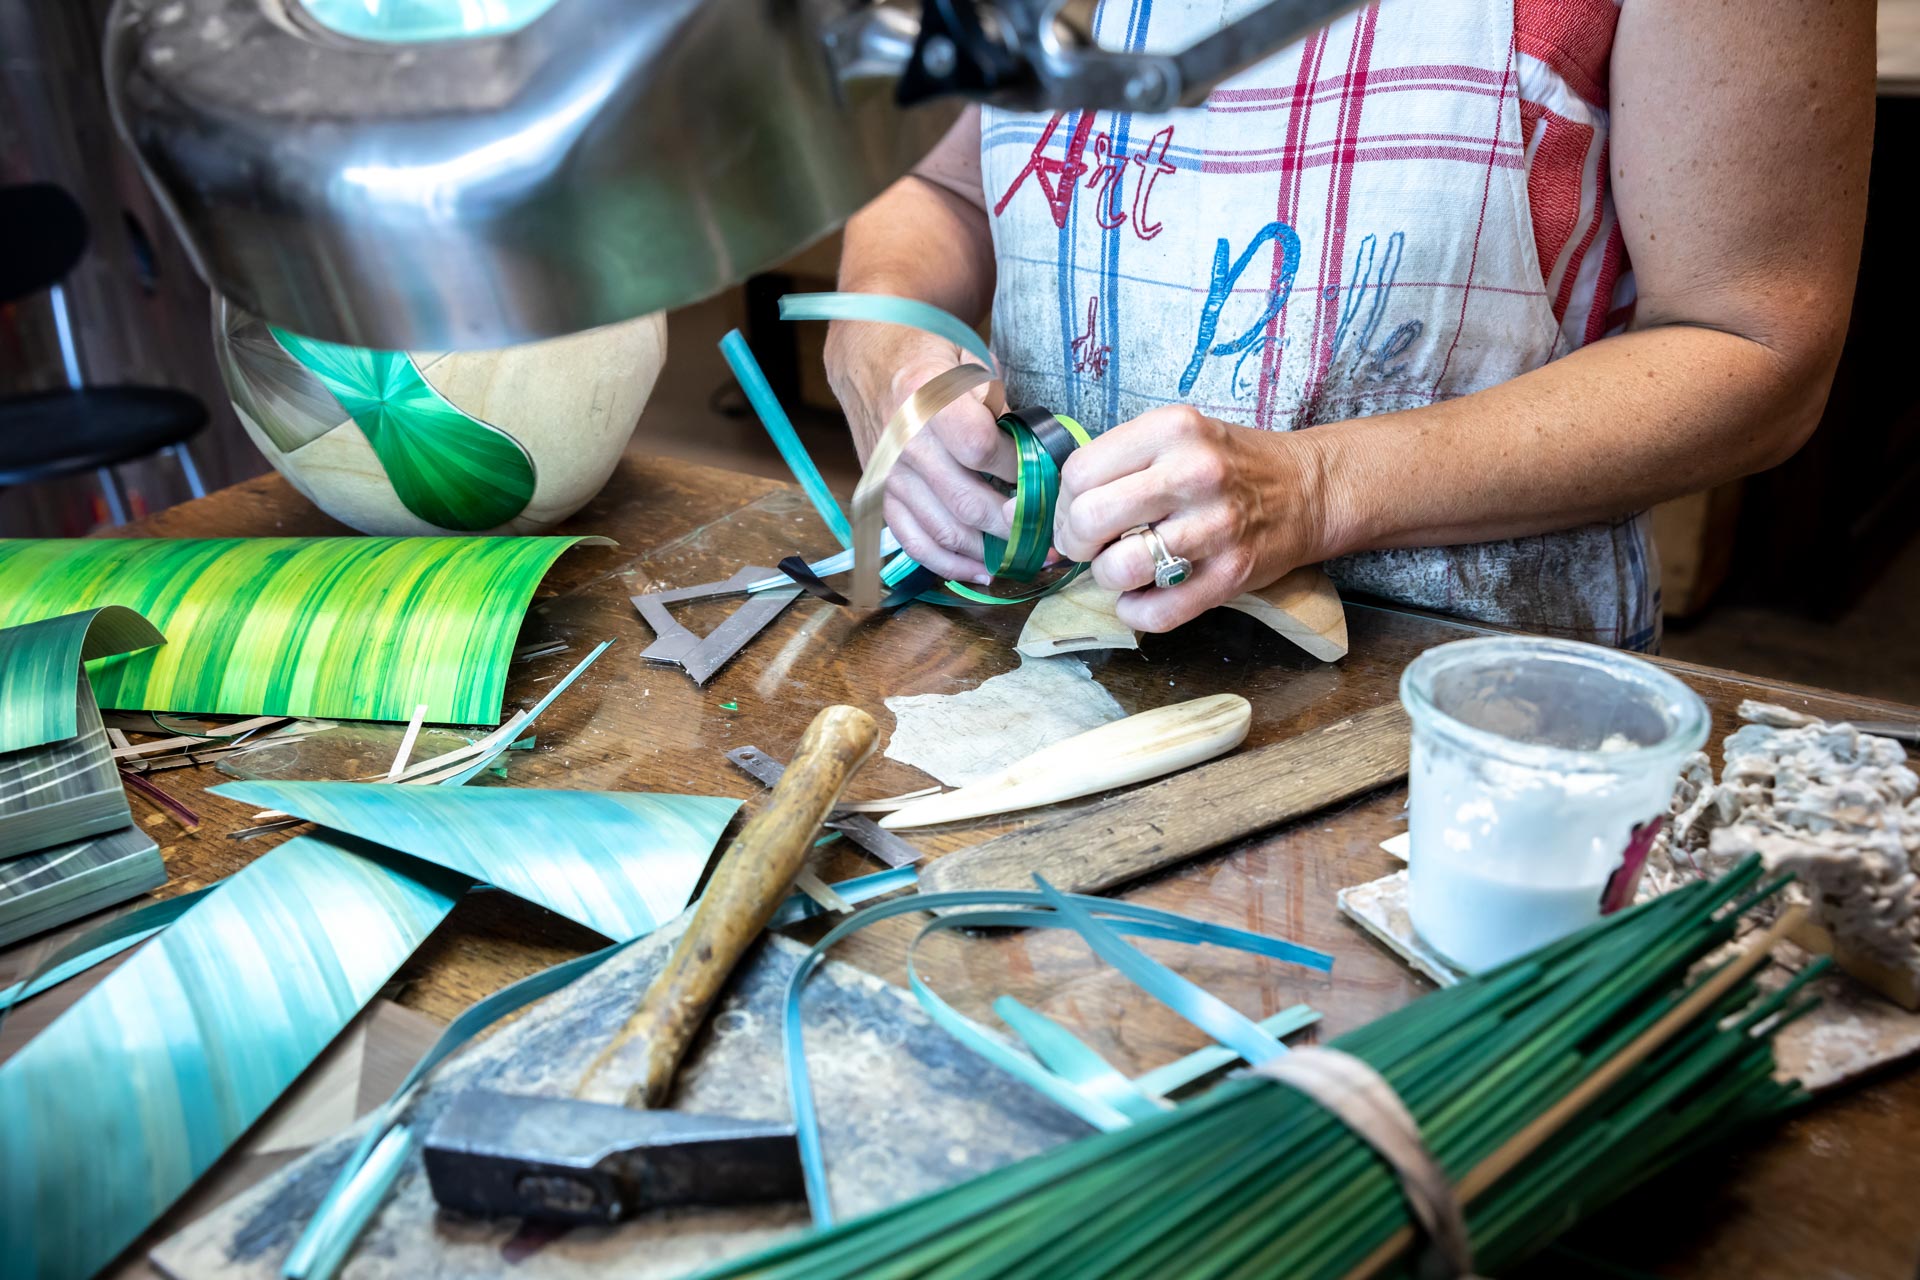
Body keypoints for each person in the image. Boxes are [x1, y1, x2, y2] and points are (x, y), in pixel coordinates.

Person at [823, 0, 1872, 650]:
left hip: (1459, 696)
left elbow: (1755, 347)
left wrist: (1317, 489)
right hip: (1044, 651)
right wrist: (882, 343)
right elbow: (935, 182)